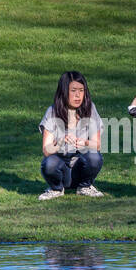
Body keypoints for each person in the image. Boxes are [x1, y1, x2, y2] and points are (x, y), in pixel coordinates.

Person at [39, 71, 105, 200]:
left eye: (81, 90)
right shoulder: (52, 112)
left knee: (94, 156)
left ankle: (85, 187)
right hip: (60, 168)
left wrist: (85, 143)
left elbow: (97, 145)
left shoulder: (90, 109)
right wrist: (60, 142)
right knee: (49, 163)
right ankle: (56, 189)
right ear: (63, 92)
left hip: (81, 167)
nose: (78, 95)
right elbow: (46, 151)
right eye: (73, 90)